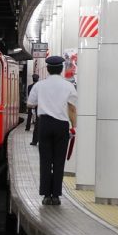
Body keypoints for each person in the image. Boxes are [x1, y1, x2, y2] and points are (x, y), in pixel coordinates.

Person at [28, 56, 78, 206]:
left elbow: (30, 104)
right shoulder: (69, 86)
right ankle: (56, 196)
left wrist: (44, 102)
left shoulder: (40, 85)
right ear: (61, 69)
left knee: (45, 160)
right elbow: (72, 108)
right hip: (61, 125)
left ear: (48, 69)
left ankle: (46, 196)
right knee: (58, 161)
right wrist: (74, 126)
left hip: (44, 124)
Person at [26, 73, 40, 143]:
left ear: (32, 79)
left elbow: (29, 95)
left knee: (29, 115)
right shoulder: (40, 86)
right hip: (37, 105)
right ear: (38, 79)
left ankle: (27, 127)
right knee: (38, 120)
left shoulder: (29, 86)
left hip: (31, 103)